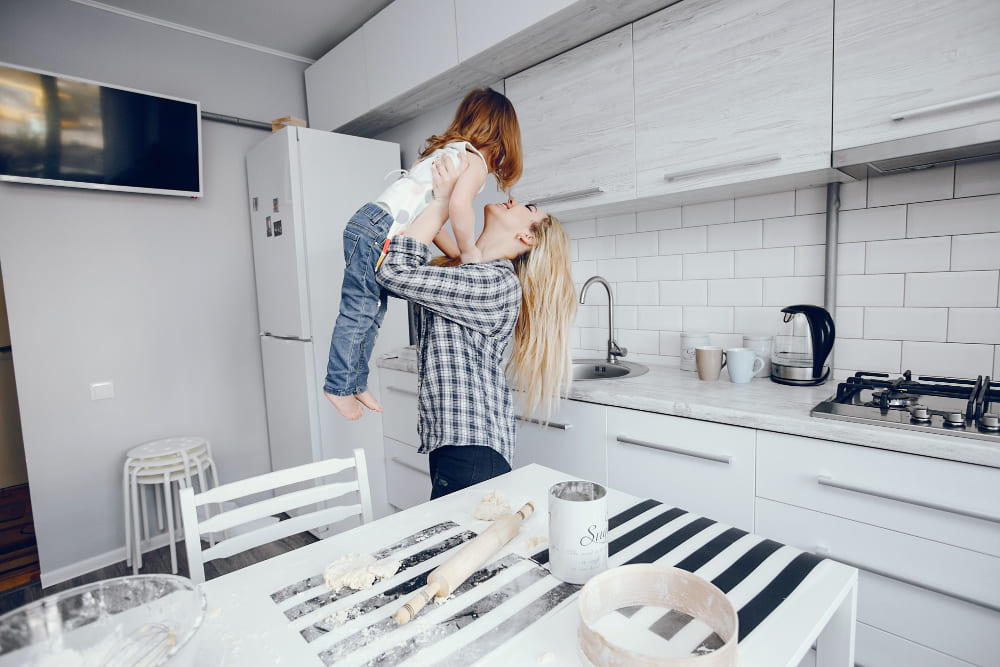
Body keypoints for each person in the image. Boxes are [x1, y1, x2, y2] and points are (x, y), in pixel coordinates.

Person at [377, 156, 577, 498]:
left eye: (527, 208)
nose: (513, 200)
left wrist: (441, 201)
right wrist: (424, 187)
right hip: (459, 445)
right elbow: (449, 245)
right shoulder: (474, 272)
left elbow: (393, 271)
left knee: (455, 550)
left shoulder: (494, 283)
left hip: (471, 452)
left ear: (525, 238)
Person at [324, 88, 523, 420]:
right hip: (381, 230)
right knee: (359, 313)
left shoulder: (440, 152)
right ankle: (338, 386)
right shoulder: (474, 161)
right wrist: (471, 251)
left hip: (372, 222)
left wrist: (459, 254)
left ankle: (354, 381)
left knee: (370, 311)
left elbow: (432, 224)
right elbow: (457, 207)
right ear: (504, 138)